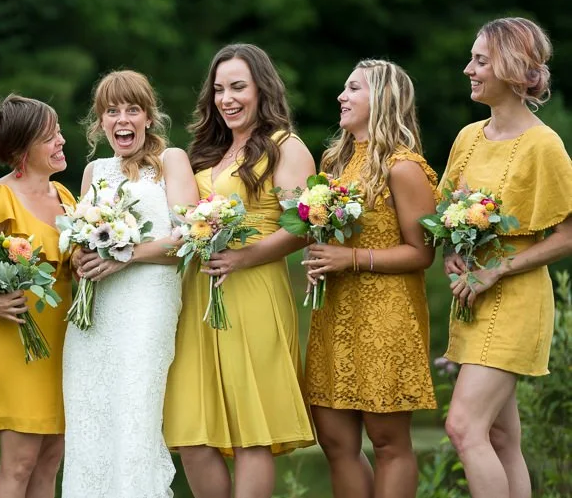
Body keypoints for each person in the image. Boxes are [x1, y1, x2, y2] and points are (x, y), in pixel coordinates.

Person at [163, 44, 316, 497]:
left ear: (261, 89)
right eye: (218, 90)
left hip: (253, 292)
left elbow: (304, 224)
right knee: (192, 432)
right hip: (198, 298)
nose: (226, 99)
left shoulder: (286, 147)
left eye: (237, 87)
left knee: (252, 431)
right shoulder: (207, 152)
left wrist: (245, 256)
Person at [439, 17, 572, 498]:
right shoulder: (468, 138)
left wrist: (498, 270)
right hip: (473, 296)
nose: (468, 69)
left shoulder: (544, 145)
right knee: (499, 437)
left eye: (480, 60)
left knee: (463, 428)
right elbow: (448, 215)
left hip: (515, 298)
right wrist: (453, 253)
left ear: (513, 68)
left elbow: (568, 235)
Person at [302, 60, 438, 498]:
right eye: (344, 88)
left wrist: (351, 257)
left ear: (382, 99)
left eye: (353, 88)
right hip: (334, 314)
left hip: (386, 317)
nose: (342, 96)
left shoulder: (404, 167)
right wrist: (319, 256)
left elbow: (422, 253)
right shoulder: (334, 162)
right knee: (336, 441)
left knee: (387, 442)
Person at [62, 70, 198, 498]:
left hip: (147, 305)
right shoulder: (94, 171)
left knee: (136, 412)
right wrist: (78, 255)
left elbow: (191, 236)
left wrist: (126, 256)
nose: (123, 119)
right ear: (100, 122)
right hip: (94, 312)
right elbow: (77, 240)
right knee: (90, 414)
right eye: (111, 110)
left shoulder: (171, 161)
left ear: (149, 118)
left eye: (132, 109)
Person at [0, 94, 74, 498]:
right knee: (20, 463)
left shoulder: (66, 196)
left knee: (50, 462)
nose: (62, 141)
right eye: (50, 136)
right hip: (18, 342)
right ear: (19, 149)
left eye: (59, 131)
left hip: (64, 342)